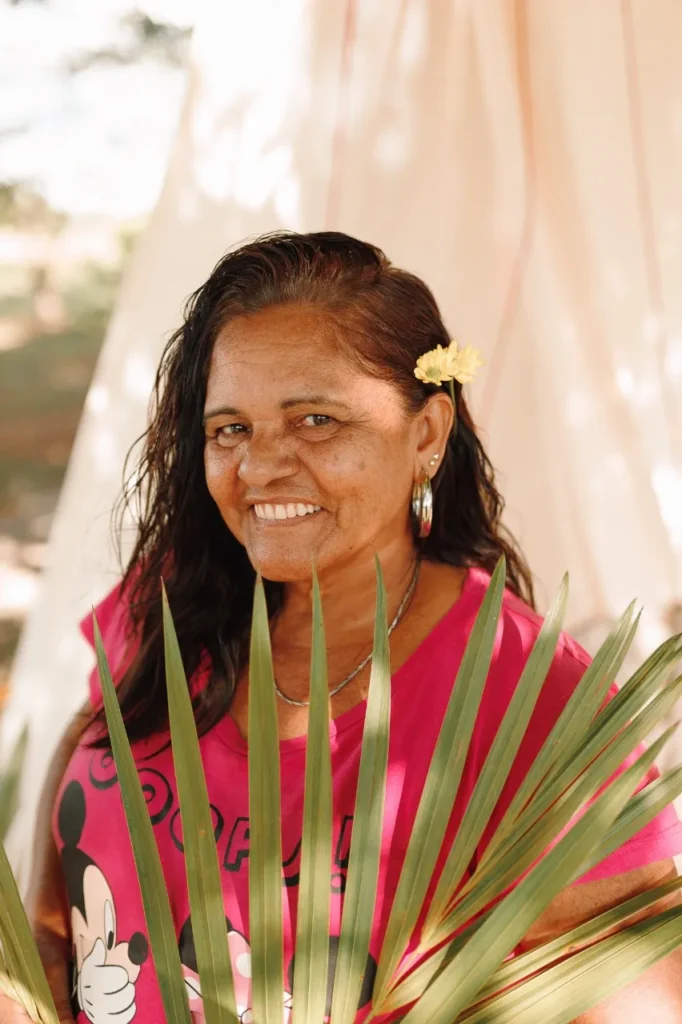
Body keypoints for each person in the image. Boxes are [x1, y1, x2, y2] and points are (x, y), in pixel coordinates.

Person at [5, 231, 682, 1023]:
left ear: (427, 433)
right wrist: (48, 930)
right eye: (231, 429)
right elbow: (97, 727)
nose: (260, 467)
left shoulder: (534, 698)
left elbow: (636, 995)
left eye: (317, 420)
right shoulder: (174, 598)